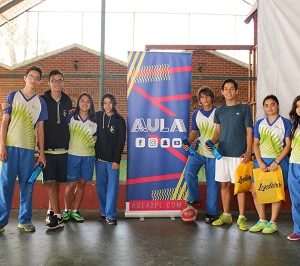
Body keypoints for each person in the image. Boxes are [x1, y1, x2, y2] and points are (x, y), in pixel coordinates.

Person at [0, 66, 47, 233]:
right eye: (31, 76)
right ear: (25, 78)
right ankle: (1, 221)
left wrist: (41, 153)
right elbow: (4, 123)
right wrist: (2, 146)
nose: (33, 80)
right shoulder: (12, 96)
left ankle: (24, 220)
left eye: (37, 77)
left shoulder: (41, 102)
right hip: (11, 148)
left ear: (39, 81)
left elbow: (40, 129)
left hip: (28, 150)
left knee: (27, 185)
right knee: (6, 185)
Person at [210, 78, 253, 231]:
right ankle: (226, 215)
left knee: (240, 187)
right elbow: (217, 132)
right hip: (222, 154)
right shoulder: (219, 111)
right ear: (222, 92)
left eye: (231, 88)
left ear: (236, 91)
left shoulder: (245, 109)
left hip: (240, 155)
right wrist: (212, 142)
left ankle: (241, 217)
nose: (228, 91)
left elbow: (249, 132)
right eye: (226, 89)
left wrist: (249, 151)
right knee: (224, 185)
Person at [249, 95, 291, 234]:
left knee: (276, 193)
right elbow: (255, 144)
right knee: (255, 191)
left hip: (278, 162)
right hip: (261, 162)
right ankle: (262, 220)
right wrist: (260, 162)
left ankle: (272, 223)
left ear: (277, 105)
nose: (270, 107)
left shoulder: (285, 122)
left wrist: (276, 162)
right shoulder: (259, 123)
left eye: (272, 104)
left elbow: (288, 146)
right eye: (266, 105)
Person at [182, 86, 219, 223]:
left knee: (213, 184)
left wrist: (213, 141)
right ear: (199, 100)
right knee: (189, 172)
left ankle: (212, 213)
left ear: (212, 98)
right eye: (202, 97)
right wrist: (188, 140)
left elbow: (219, 132)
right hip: (198, 151)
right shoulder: (196, 114)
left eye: (208, 96)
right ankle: (194, 197)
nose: (205, 99)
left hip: (213, 152)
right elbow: (194, 132)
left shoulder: (218, 112)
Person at [42, 70, 73, 230]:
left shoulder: (68, 101)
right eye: (53, 81)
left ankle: (50, 211)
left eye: (60, 80)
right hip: (47, 150)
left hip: (64, 151)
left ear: (63, 82)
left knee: (57, 183)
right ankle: (59, 216)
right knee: (50, 182)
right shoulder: (42, 100)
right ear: (49, 82)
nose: (57, 83)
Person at [63, 93, 97, 223]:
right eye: (82, 100)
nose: (85, 103)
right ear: (78, 103)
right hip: (73, 155)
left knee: (82, 184)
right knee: (71, 185)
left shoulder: (94, 120)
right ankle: (66, 210)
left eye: (88, 101)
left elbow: (96, 138)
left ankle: (75, 211)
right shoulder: (71, 117)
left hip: (88, 157)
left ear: (91, 104)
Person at [95, 93, 126, 225]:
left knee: (112, 189)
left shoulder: (119, 120)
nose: (107, 105)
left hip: (112, 162)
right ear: (102, 104)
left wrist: (116, 160)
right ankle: (103, 211)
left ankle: (111, 215)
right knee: (101, 188)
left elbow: (121, 142)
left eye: (109, 102)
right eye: (105, 103)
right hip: (99, 160)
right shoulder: (97, 116)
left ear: (113, 103)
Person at [287, 95, 300, 240]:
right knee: (296, 201)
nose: (299, 109)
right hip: (294, 165)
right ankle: (298, 230)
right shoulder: (294, 125)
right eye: (297, 106)